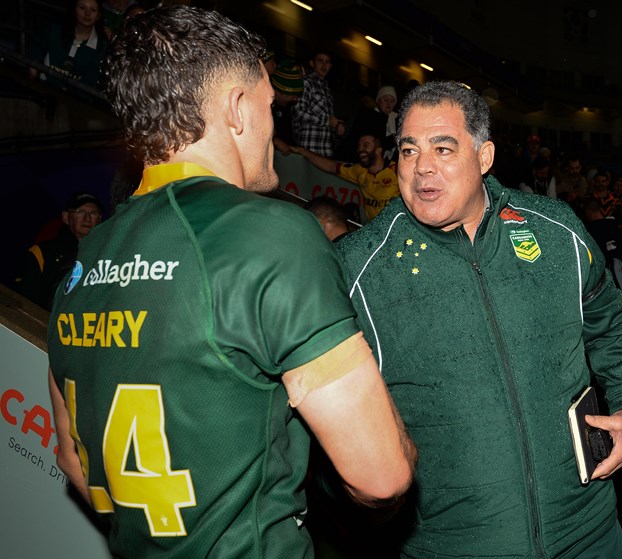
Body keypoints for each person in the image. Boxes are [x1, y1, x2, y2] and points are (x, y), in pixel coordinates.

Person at [45, 6, 416, 559]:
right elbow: (380, 474)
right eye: (271, 106)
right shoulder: (270, 233)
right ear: (239, 109)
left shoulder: (84, 260)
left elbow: (73, 460)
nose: (276, 126)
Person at [335, 80, 622, 558]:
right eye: (408, 150)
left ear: (484, 157)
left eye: (443, 148)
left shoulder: (555, 230)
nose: (423, 167)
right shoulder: (358, 269)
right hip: (451, 547)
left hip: (589, 535)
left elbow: (612, 326)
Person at [13, 192, 103, 310]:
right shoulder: (41, 253)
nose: (87, 218)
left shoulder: (106, 254)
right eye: (79, 211)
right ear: (66, 217)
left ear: (100, 219)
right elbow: (25, 301)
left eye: (93, 213)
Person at [291, 132, 399, 223]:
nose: (360, 149)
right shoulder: (360, 171)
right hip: (375, 229)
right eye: (359, 146)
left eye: (366, 145)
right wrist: (304, 152)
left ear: (379, 150)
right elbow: (332, 166)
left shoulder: (397, 170)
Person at [28, 0, 108, 89]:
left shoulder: (101, 47)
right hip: (45, 85)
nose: (87, 13)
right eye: (82, 8)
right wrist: (34, 64)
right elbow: (36, 49)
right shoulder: (55, 30)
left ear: (98, 16)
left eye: (93, 10)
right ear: (74, 10)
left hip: (75, 98)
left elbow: (91, 80)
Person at [292, 48, 343, 156]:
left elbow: (330, 121)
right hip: (308, 148)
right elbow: (298, 112)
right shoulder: (306, 83)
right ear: (312, 63)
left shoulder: (327, 89)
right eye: (320, 61)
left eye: (327, 62)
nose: (324, 66)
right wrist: (327, 121)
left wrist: (337, 127)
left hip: (326, 151)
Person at [270, 59, 305, 155]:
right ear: (279, 92)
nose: (295, 100)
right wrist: (275, 141)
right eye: (293, 95)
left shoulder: (287, 107)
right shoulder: (263, 107)